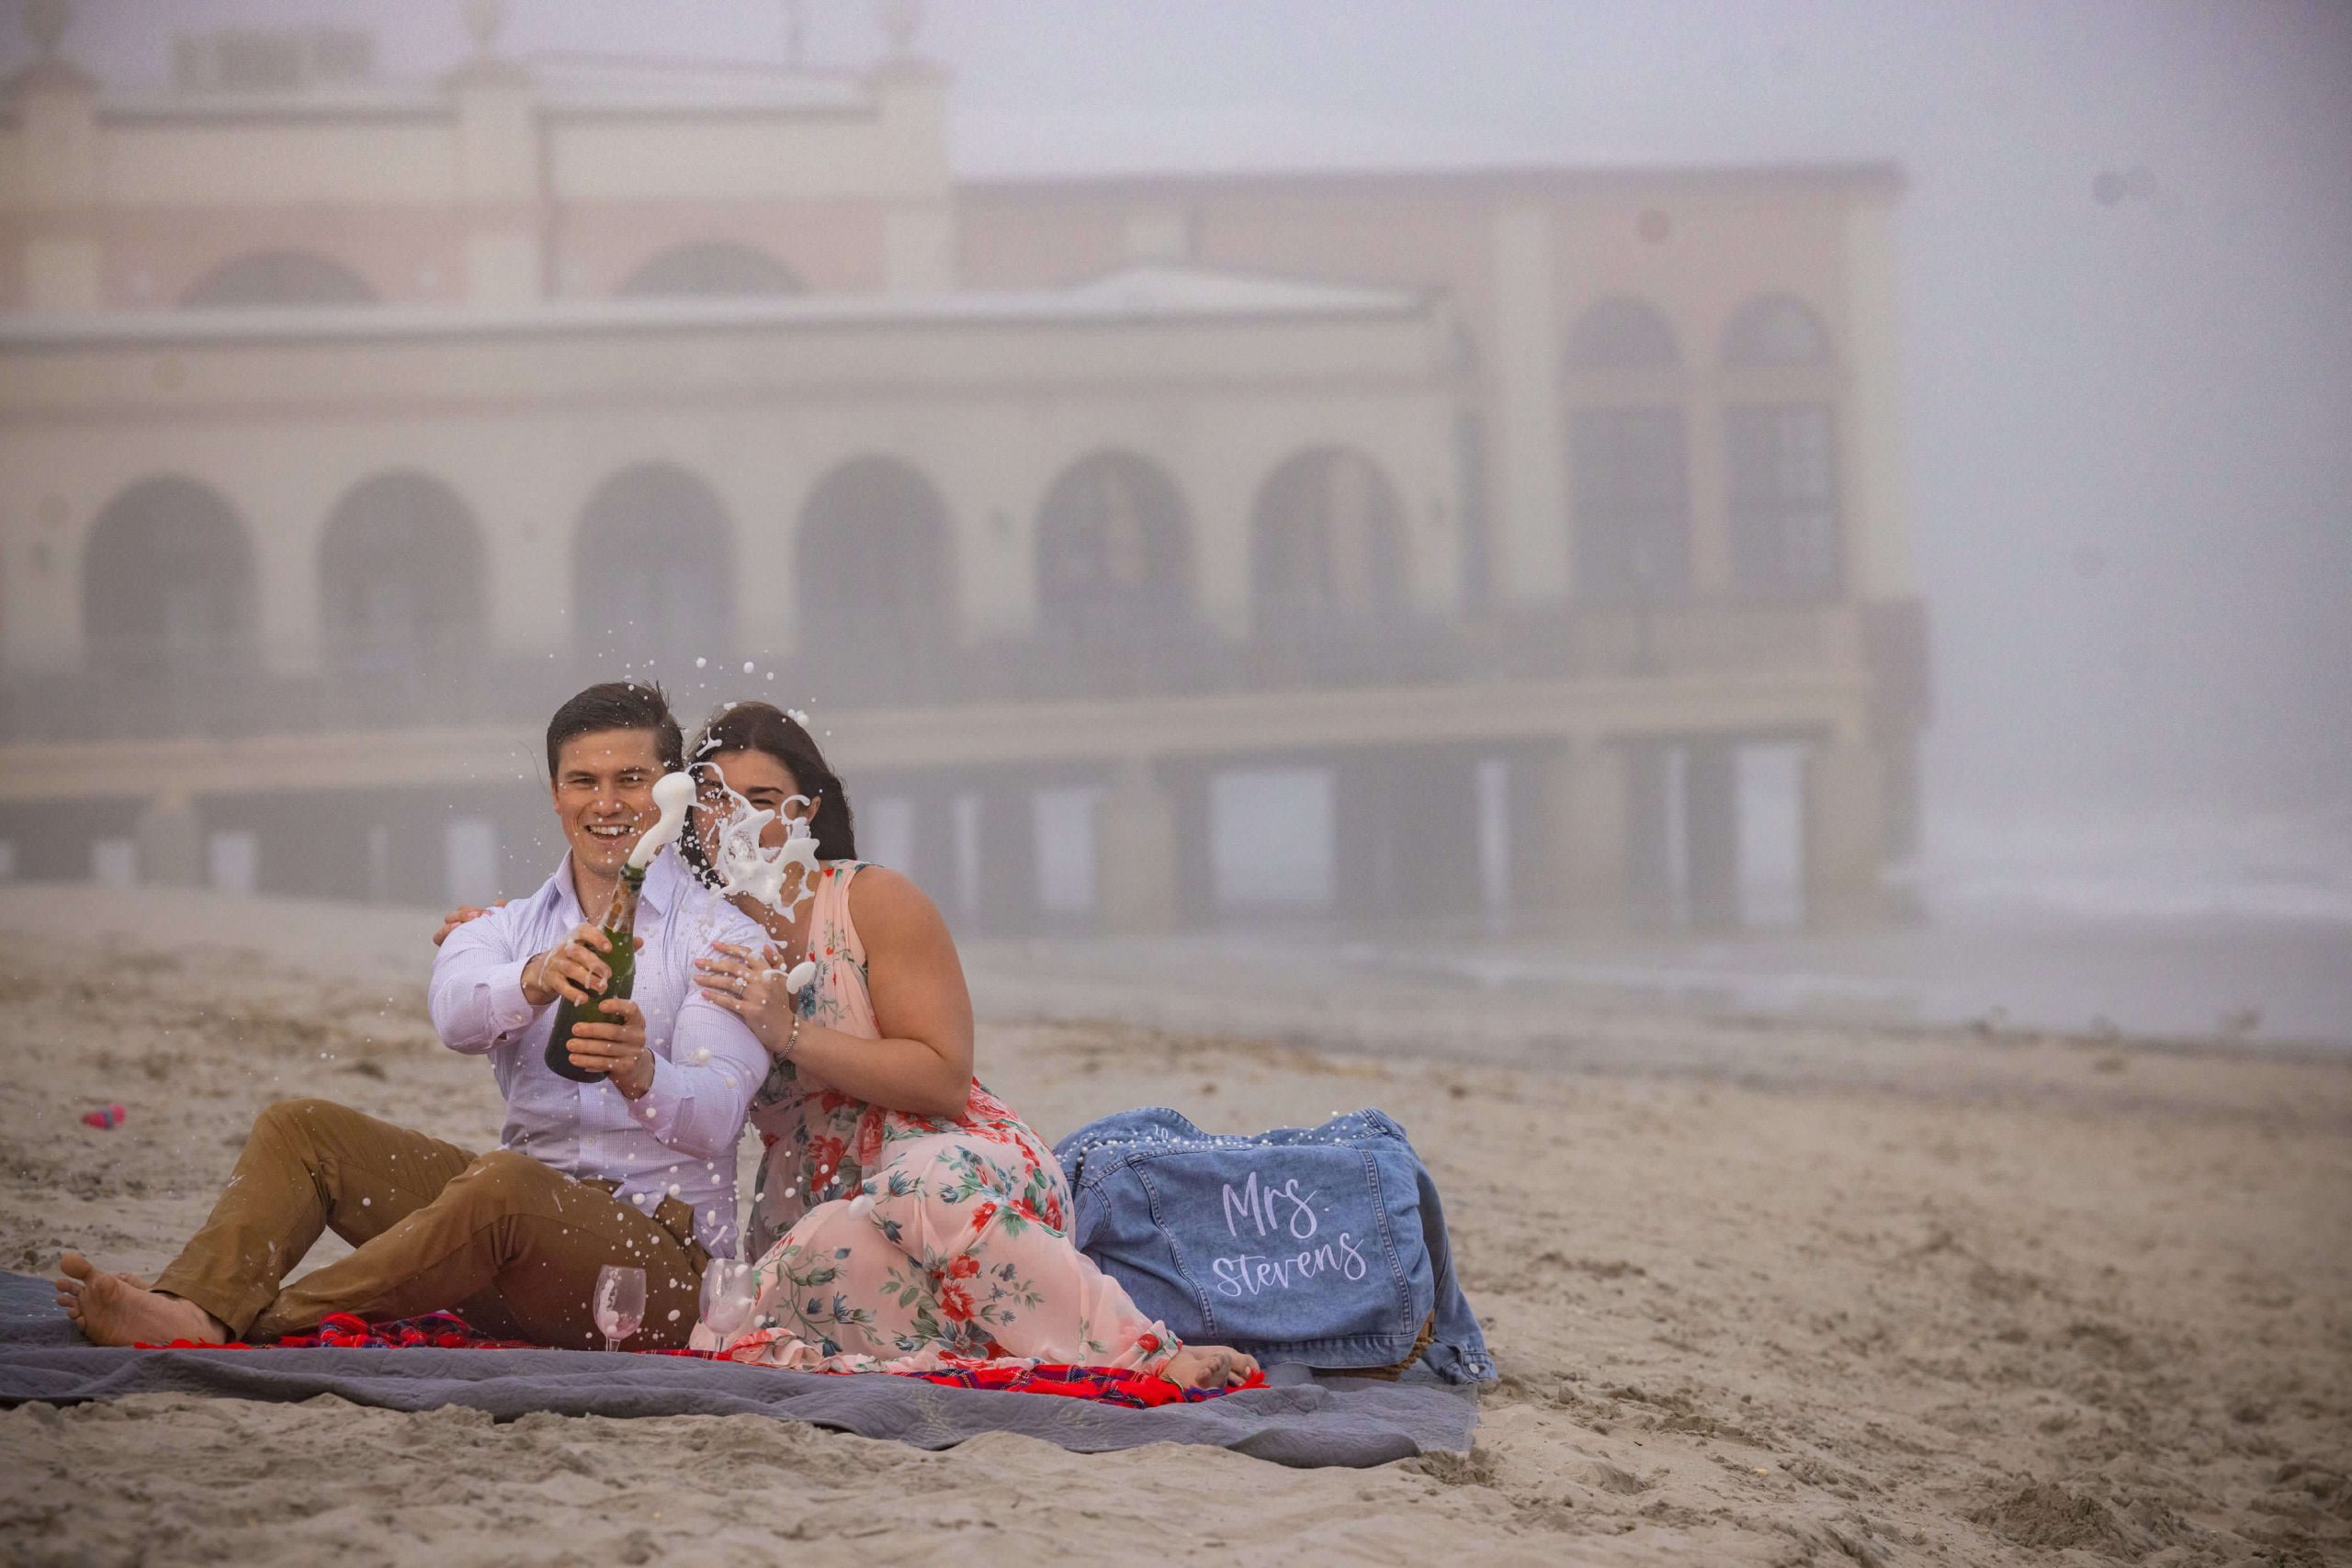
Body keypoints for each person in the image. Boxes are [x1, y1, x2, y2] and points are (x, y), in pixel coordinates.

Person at [440, 700, 1260, 1390]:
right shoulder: (700, 926)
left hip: (957, 1164)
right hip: (823, 1200)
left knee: (918, 1190)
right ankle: (1003, 1345)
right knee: (754, 1315)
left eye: (766, 796)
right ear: (688, 809)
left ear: (808, 809)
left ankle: (1153, 1356)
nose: (743, 817)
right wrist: (497, 948)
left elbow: (942, 1078)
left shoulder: (870, 900)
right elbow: (586, 936)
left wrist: (789, 1031)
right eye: (719, 797)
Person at [55, 682, 770, 1350]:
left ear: (673, 794)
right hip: (511, 1244)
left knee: (502, 1184)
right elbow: (455, 1015)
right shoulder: (507, 928)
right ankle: (200, 1301)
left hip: (661, 1270)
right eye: (584, 781)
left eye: (631, 780)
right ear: (556, 795)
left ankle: (235, 1324)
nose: (606, 802)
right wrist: (536, 978)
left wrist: (641, 1072)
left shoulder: (724, 937)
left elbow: (718, 1114)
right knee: (301, 1128)